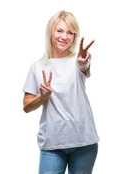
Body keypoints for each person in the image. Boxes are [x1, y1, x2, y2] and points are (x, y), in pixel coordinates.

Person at [22, 11, 99, 174]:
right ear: (50, 32)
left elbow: (84, 67)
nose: (65, 36)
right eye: (60, 31)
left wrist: (84, 63)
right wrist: (41, 97)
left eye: (70, 32)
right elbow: (27, 106)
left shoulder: (78, 60)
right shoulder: (37, 67)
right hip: (52, 144)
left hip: (84, 142)